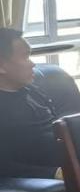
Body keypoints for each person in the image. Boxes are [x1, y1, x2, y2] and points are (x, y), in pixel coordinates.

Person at [0, 28, 63, 178]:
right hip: (50, 174)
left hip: (74, 156)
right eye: (25, 57)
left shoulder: (32, 90)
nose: (33, 64)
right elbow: (4, 166)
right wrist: (55, 173)